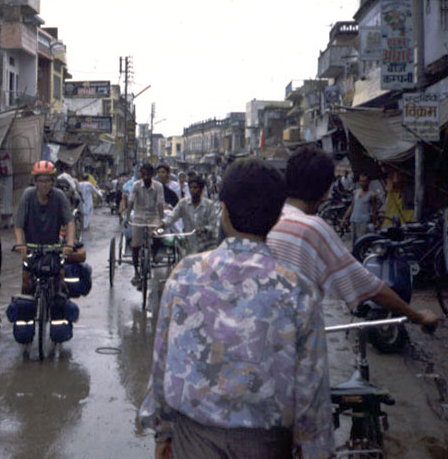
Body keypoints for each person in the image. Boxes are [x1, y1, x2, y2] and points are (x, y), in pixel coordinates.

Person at [140, 158, 334, 459]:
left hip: (193, 441)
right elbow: (312, 387)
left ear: (224, 212)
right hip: (266, 444)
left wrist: (163, 431)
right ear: (275, 216)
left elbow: (163, 361)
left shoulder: (185, 274)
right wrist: (313, 449)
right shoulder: (298, 290)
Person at [267, 146, 438, 331]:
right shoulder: (312, 229)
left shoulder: (265, 220)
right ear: (326, 192)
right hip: (297, 343)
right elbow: (368, 285)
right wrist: (416, 315)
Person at [13, 160, 75, 294]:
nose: (44, 184)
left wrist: (69, 244)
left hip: (53, 249)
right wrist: (20, 244)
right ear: (35, 182)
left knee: (60, 286)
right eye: (40, 181)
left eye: (47, 180)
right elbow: (18, 224)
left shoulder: (59, 196)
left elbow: (69, 222)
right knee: (27, 286)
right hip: (32, 250)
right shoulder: (28, 195)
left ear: (53, 181)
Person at [123, 162, 164, 287]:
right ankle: (136, 272)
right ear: (141, 174)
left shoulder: (158, 186)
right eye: (144, 174)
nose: (146, 177)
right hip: (139, 217)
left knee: (157, 236)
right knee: (135, 245)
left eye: (148, 175)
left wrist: (161, 220)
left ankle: (155, 255)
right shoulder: (136, 185)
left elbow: (160, 204)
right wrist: (126, 217)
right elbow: (130, 202)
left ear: (152, 175)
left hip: (154, 216)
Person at [160, 176, 220, 255]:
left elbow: (214, 225)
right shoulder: (183, 203)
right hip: (189, 246)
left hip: (206, 246)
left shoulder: (209, 205)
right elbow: (171, 217)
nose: (192, 190)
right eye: (190, 187)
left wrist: (203, 229)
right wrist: (161, 226)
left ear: (201, 189)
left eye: (195, 188)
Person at [341, 172, 379, 244]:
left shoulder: (372, 195)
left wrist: (374, 222)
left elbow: (374, 210)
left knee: (362, 242)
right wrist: (344, 218)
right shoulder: (356, 192)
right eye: (361, 181)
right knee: (354, 242)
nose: (362, 183)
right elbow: (352, 206)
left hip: (364, 221)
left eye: (364, 181)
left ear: (368, 182)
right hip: (354, 220)